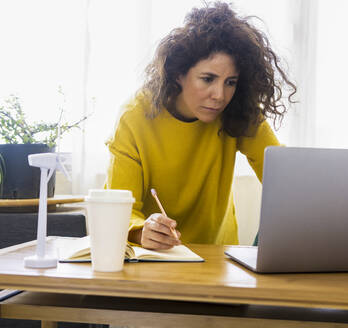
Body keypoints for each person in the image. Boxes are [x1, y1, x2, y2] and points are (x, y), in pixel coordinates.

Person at [105, 2, 297, 250]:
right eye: (208, 79)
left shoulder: (238, 111)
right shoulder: (134, 117)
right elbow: (119, 211)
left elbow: (286, 179)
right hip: (154, 259)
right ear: (178, 73)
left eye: (231, 82)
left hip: (220, 258)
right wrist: (141, 231)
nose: (219, 95)